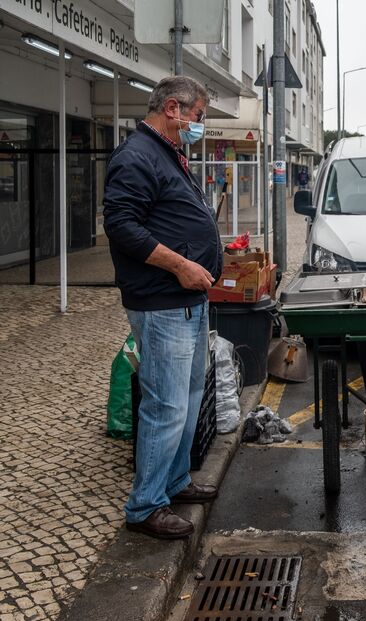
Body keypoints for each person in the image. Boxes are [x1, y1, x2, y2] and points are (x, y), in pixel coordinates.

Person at [103, 76, 223, 539]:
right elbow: (121, 226)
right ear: (173, 108)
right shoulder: (135, 155)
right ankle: (145, 507)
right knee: (166, 405)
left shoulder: (168, 152)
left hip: (189, 301)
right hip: (163, 301)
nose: (200, 125)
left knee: (189, 398)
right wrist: (179, 266)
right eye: (198, 116)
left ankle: (174, 482)